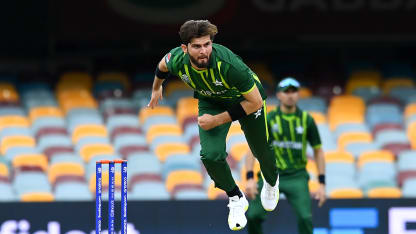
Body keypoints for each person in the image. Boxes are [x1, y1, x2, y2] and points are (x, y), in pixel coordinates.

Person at [148, 20, 279, 231]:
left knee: (260, 149)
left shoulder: (229, 65)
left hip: (245, 100)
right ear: (185, 48)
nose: (203, 51)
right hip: (212, 101)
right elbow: (162, 65)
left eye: (207, 44)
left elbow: (254, 102)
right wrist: (156, 88)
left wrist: (217, 120)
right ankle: (236, 198)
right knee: (210, 155)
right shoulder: (177, 59)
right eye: (197, 46)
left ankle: (272, 183)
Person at [245, 77, 326, 234]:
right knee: (253, 216)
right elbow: (254, 147)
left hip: (297, 176)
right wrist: (249, 178)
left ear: (298, 95)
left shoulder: (306, 120)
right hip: (271, 175)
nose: (290, 95)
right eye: (286, 91)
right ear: (279, 95)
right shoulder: (269, 118)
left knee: (305, 218)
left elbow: (318, 150)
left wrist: (322, 183)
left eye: (293, 91)